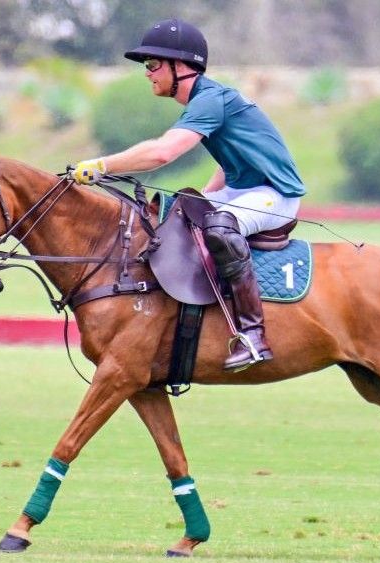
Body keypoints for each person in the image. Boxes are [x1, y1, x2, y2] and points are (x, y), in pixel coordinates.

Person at [73, 18, 305, 372]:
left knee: (219, 229)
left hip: (276, 196)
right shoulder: (206, 99)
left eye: (152, 65)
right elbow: (231, 162)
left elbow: (164, 152)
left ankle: (253, 335)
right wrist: (199, 201)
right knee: (172, 218)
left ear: (180, 67)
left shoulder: (211, 99)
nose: (147, 73)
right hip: (245, 189)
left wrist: (102, 165)